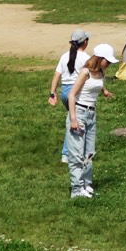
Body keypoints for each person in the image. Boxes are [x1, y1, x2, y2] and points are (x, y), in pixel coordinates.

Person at [64, 42, 117, 199]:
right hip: (79, 112)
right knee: (76, 153)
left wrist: (105, 91)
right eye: (107, 61)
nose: (108, 65)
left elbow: (97, 85)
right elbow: (71, 95)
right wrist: (73, 119)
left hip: (91, 114)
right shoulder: (85, 72)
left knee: (89, 152)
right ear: (99, 58)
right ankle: (76, 189)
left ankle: (86, 184)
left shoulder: (100, 73)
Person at [49, 28, 91, 158]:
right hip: (77, 93)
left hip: (64, 92)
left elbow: (57, 74)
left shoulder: (64, 56)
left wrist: (52, 92)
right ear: (85, 42)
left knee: (72, 119)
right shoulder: (86, 58)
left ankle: (72, 151)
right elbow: (92, 76)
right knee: (76, 122)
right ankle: (68, 154)